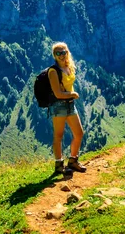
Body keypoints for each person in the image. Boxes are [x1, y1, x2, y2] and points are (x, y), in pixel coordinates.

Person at [48, 42, 87, 174]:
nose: (61, 55)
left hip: (70, 104)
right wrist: (73, 94)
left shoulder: (68, 66)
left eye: (63, 52)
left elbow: (68, 85)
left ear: (67, 52)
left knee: (79, 133)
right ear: (54, 55)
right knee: (58, 136)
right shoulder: (53, 71)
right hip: (59, 106)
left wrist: (71, 95)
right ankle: (59, 165)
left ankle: (73, 161)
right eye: (58, 53)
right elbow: (58, 93)